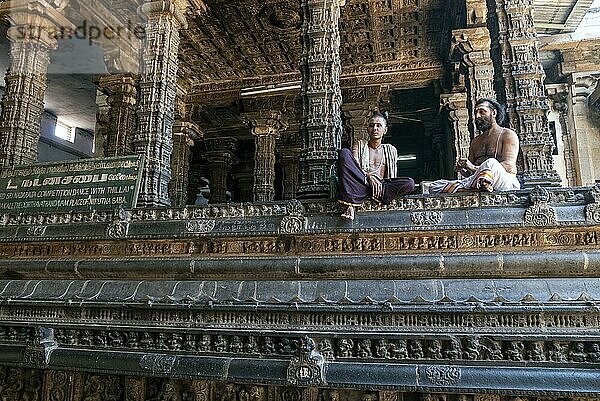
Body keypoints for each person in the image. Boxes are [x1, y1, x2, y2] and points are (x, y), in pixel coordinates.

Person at [429, 98, 520, 194]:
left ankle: (477, 186)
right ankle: (478, 187)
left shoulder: (508, 134)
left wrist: (474, 168)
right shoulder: (476, 141)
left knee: (491, 163)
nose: (477, 116)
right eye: (476, 112)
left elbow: (509, 166)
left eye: (482, 111)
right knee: (435, 186)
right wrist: (462, 169)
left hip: (504, 181)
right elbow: (469, 173)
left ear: (493, 113)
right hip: (476, 180)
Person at [337, 111, 415, 220]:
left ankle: (380, 196)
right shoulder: (359, 145)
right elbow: (354, 169)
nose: (375, 128)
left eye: (379, 126)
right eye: (371, 125)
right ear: (367, 129)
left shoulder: (390, 149)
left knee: (410, 183)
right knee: (344, 153)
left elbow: (390, 177)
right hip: (361, 184)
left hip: (381, 187)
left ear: (385, 130)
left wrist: (379, 183)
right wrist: (369, 177)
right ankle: (350, 204)